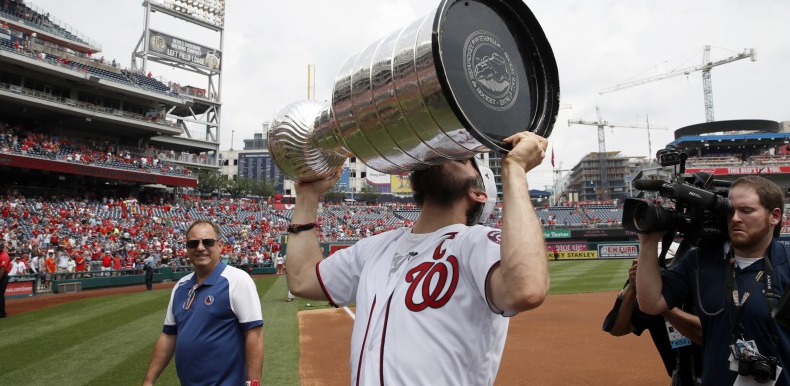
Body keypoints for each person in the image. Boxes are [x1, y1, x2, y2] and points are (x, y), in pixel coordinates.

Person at [286, 131, 550, 385]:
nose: (447, 154)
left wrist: (514, 169)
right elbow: (303, 279)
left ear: (479, 194)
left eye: (462, 158)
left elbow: (526, 289)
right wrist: (308, 196)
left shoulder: (476, 242)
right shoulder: (376, 247)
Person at [637, 176, 790, 385]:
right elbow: (651, 304)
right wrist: (648, 241)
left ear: (774, 216)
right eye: (730, 211)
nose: (736, 219)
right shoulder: (699, 261)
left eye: (747, 211)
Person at [143, 219, 263, 386]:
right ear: (187, 248)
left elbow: (254, 334)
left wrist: (254, 384)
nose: (200, 248)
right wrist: (148, 381)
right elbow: (169, 335)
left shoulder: (237, 280)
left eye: (207, 242)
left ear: (220, 246)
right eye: (193, 243)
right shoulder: (181, 286)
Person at [603, 257, 702, 384]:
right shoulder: (648, 304)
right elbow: (617, 329)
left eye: (668, 263)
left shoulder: (702, 292)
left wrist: (659, 306)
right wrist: (633, 289)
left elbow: (707, 333)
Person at [0, 241, 10, 318]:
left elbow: (2, 270)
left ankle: (2, 313)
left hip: (2, 277)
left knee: (0, 295)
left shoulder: (4, 256)